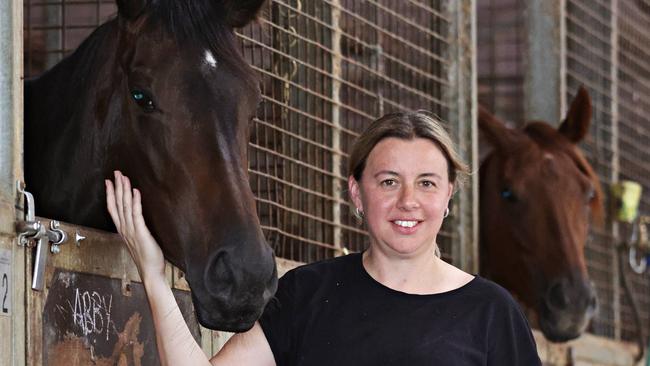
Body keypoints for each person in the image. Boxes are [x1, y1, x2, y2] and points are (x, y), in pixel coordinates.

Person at [106, 110, 542, 365]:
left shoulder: (491, 313)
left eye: (427, 183)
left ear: (448, 196)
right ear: (356, 191)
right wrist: (154, 275)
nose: (409, 201)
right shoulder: (307, 296)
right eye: (389, 181)